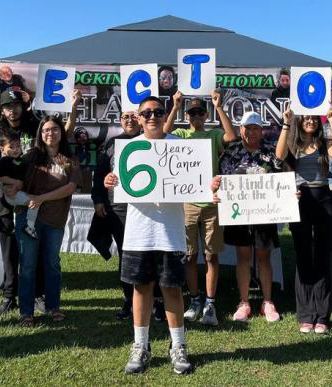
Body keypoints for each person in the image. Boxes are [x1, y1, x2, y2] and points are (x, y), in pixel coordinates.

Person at [104, 96, 194, 375]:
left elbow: (195, 183)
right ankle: (140, 345)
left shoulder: (180, 147)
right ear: (139, 117)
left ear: (165, 114)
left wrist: (209, 184)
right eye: (146, 113)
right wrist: (111, 181)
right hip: (138, 232)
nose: (152, 116)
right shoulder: (128, 149)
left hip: (170, 231)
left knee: (171, 289)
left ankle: (178, 346)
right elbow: (121, 184)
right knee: (141, 288)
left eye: (157, 112)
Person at [163, 90, 238, 326]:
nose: (196, 116)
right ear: (187, 116)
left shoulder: (213, 134)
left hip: (211, 204)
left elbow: (231, 135)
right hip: (186, 204)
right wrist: (175, 106)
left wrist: (218, 106)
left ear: (205, 116)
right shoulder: (181, 134)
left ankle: (210, 303)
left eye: (199, 113)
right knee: (189, 255)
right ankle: (195, 299)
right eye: (192, 113)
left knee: (210, 255)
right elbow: (162, 134)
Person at [211, 108, 293, 323]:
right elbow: (222, 178)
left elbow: (281, 175)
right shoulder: (231, 151)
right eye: (248, 128)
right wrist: (217, 190)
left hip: (264, 213)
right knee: (243, 257)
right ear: (241, 129)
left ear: (262, 131)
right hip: (239, 214)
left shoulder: (270, 150)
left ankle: (267, 301)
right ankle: (244, 301)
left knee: (264, 256)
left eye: (256, 128)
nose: (252, 132)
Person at [279, 108, 332, 334]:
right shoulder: (293, 144)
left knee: (323, 256)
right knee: (304, 255)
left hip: (323, 198)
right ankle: (306, 315)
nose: (310, 121)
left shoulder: (324, 143)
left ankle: (323, 316)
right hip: (299, 201)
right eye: (305, 118)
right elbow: (279, 155)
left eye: (313, 119)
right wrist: (286, 123)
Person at [13, 115, 81, 327]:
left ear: (61, 132)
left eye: (54, 129)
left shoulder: (70, 161)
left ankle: (53, 307)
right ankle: (26, 312)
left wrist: (42, 198)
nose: (50, 133)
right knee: (27, 265)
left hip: (55, 221)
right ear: (40, 135)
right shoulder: (30, 157)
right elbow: (13, 180)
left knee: (52, 264)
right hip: (28, 220)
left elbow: (70, 188)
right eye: (46, 130)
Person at [0, 89, 45, 316]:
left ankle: (38, 294)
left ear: (23, 106)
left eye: (17, 105)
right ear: (1, 110)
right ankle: (9, 296)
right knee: (9, 250)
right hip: (5, 200)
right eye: (8, 106)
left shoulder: (36, 128)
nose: (13, 109)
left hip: (32, 198)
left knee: (33, 246)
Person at [91, 109, 141, 319]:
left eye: (134, 116)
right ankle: (129, 301)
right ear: (120, 121)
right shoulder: (112, 144)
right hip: (118, 207)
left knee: (149, 254)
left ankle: (155, 300)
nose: (129, 120)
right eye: (125, 117)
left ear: (140, 119)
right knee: (126, 254)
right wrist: (98, 199)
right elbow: (100, 173)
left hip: (146, 207)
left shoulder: (153, 140)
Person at [0, 134, 40, 239]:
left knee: (32, 200)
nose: (15, 149)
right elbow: (0, 177)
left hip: (18, 193)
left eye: (18, 146)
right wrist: (15, 182)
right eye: (11, 147)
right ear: (2, 149)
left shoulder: (22, 160)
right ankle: (30, 226)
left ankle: (18, 223)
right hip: (11, 195)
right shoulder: (4, 161)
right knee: (35, 202)